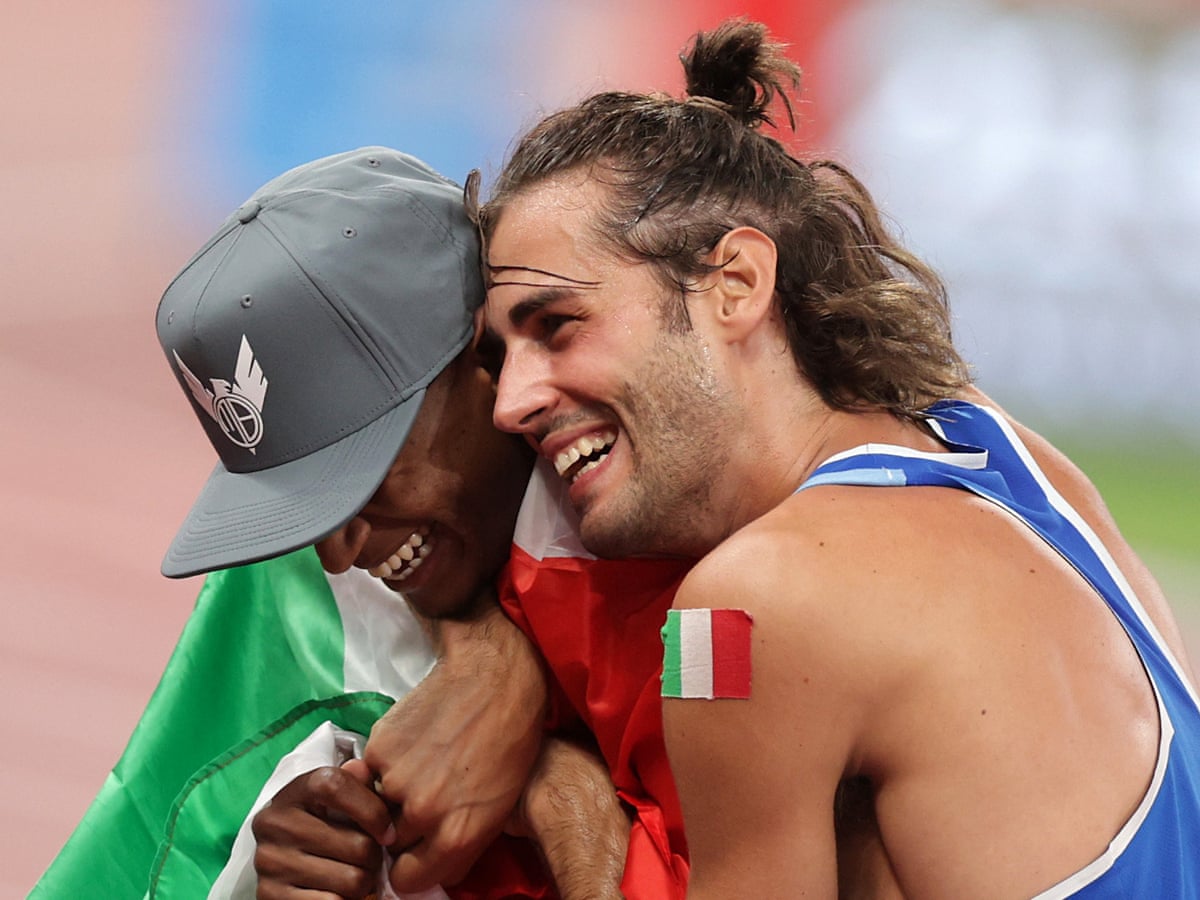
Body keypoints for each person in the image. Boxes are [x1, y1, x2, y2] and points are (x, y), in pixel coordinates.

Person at [478, 18, 1200, 899]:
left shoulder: (748, 605)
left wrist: (556, 793)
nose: (510, 402)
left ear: (736, 285)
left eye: (558, 326)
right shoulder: (1000, 449)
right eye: (498, 356)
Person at [150, 145, 666, 900]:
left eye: (361, 474)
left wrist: (563, 803)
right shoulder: (304, 603)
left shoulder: (718, 538)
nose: (334, 552)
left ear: (491, 350)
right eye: (304, 503)